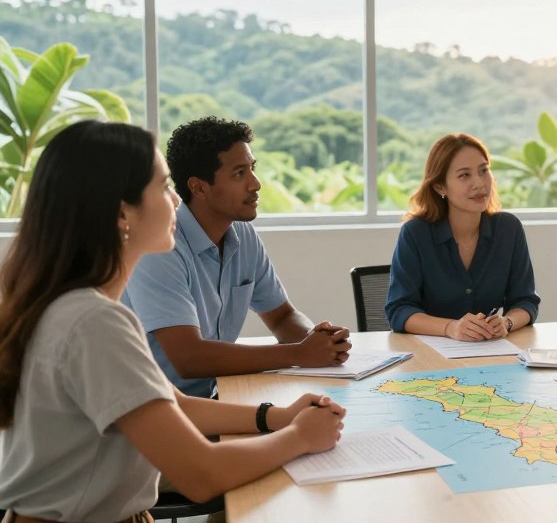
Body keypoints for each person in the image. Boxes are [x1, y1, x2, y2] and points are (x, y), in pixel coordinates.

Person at [0, 121, 344, 520]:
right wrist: (298, 437)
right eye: (164, 187)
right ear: (122, 214)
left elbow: (175, 403)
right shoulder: (93, 323)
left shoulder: (75, 306)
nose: (177, 202)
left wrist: (276, 417)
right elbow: (201, 474)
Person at [124, 117, 351, 398]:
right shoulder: (160, 247)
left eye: (252, 169)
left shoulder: (243, 235)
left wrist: (319, 340)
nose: (255, 184)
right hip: (163, 409)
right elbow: (189, 358)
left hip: (220, 395)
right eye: (238, 174)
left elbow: (282, 317)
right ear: (199, 188)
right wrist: (300, 353)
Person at [385, 133, 540, 341]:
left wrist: (506, 323)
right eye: (464, 175)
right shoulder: (415, 233)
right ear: (440, 186)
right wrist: (451, 327)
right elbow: (399, 310)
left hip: (490, 352)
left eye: (483, 171)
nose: (479, 184)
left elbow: (525, 301)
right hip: (429, 355)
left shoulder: (508, 229)